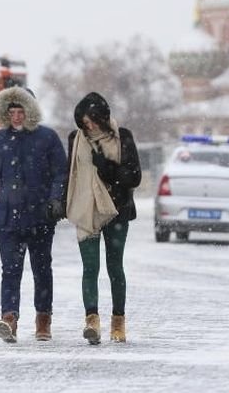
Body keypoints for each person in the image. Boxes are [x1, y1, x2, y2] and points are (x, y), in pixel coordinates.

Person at [0, 86, 68, 343]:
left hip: (40, 217)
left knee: (41, 269)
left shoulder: (47, 138)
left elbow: (61, 172)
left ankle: (43, 318)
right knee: (10, 270)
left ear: (31, 111)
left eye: (21, 110)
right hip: (8, 217)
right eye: (11, 111)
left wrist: (56, 199)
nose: (16, 116)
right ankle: (9, 318)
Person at [65, 92, 141, 344]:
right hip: (86, 209)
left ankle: (118, 322)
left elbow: (134, 177)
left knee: (115, 267)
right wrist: (59, 202)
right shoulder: (75, 140)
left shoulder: (124, 137)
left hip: (116, 211)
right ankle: (92, 321)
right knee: (90, 268)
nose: (90, 127)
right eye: (85, 123)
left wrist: (107, 168)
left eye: (93, 121)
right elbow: (70, 175)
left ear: (104, 118)